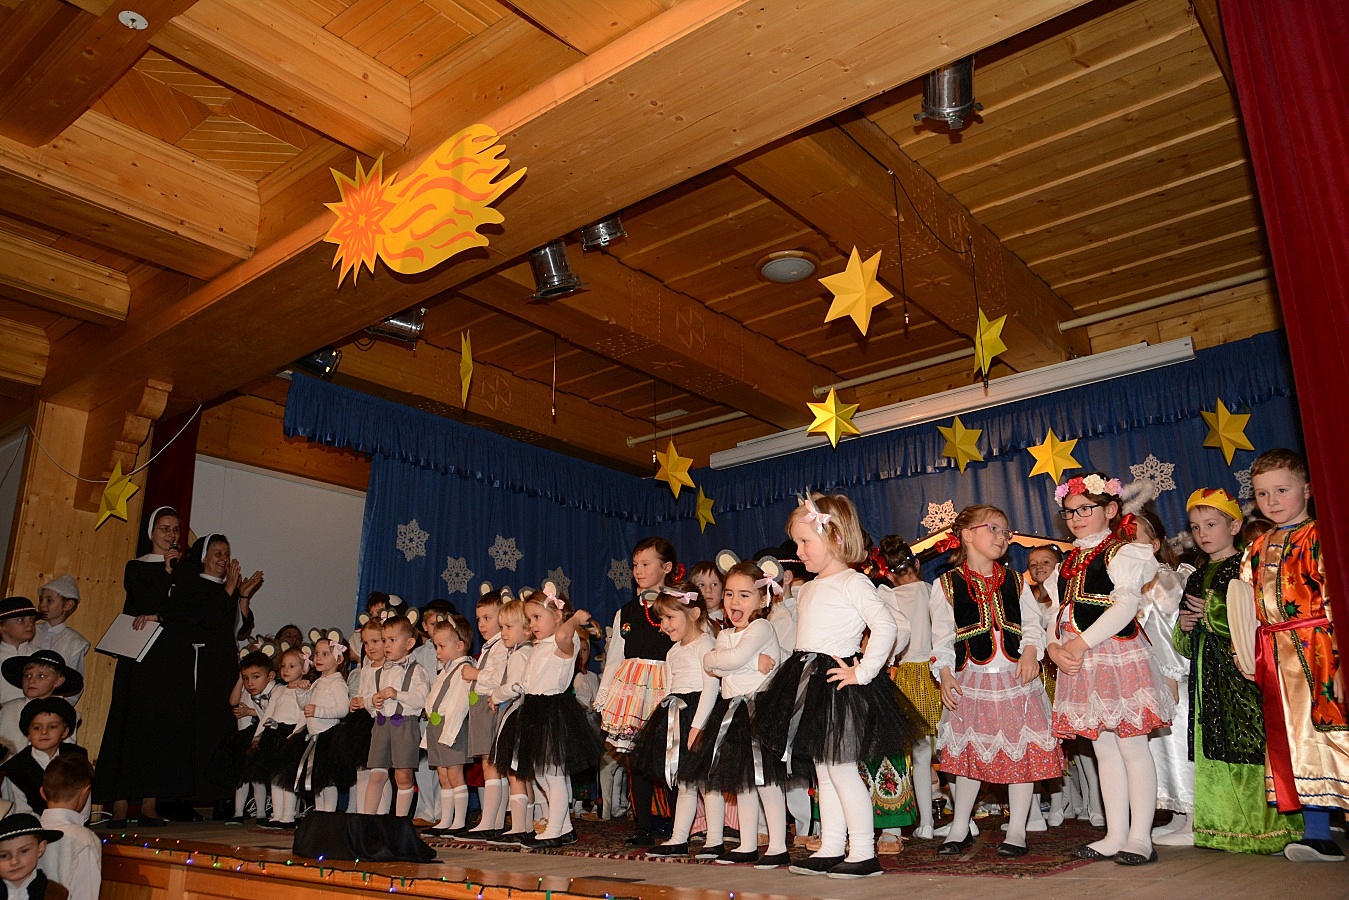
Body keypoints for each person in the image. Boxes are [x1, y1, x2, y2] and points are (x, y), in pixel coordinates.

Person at [756, 493, 924, 879]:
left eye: (804, 542)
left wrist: (863, 672)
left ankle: (863, 851)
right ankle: (831, 845)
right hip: (811, 682)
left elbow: (886, 626)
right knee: (824, 770)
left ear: (834, 537)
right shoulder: (811, 587)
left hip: (839, 684)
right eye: (797, 543)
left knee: (843, 770)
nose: (798, 552)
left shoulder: (853, 582)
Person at [1046, 473, 1174, 866]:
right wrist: (1054, 648)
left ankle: (1140, 837)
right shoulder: (1066, 562)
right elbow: (1055, 612)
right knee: (1103, 748)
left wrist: (1079, 643)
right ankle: (1115, 834)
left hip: (1116, 655)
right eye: (1070, 512)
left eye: (1086, 509)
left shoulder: (1125, 553)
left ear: (1111, 509)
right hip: (1080, 661)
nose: (1076, 518)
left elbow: (1125, 606)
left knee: (1132, 746)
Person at [1174, 487, 1301, 854]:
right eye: (1196, 527)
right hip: (1207, 676)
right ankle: (1220, 827)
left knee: (1249, 742)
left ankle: (1265, 829)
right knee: (1214, 744)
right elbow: (1183, 642)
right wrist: (1185, 626)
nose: (1203, 534)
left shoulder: (1248, 567)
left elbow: (1256, 620)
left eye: (1211, 524)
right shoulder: (1196, 576)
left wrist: (1214, 611)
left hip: (1240, 675)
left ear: (1233, 526)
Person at [930, 505, 1062, 859]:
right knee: (970, 754)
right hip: (972, 680)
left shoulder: (1016, 581)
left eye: (1006, 532)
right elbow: (941, 638)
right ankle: (960, 826)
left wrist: (1031, 651)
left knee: (1022, 753)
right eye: (994, 529)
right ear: (967, 534)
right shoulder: (946, 584)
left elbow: (1033, 624)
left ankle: (1017, 829)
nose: (1002, 537)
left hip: (1016, 678)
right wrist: (945, 674)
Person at [1240, 448, 1349, 861]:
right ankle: (1317, 833)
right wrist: (1245, 652)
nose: (1272, 501)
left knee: (1334, 733)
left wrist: (1341, 657)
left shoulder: (1321, 536)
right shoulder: (1256, 547)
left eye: (1281, 490)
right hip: (1275, 654)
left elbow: (1336, 595)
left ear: (1307, 489)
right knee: (1295, 739)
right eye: (1262, 494)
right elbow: (1245, 607)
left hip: (1319, 650)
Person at [679, 562, 790, 867]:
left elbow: (729, 660)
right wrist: (750, 663)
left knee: (766, 781)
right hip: (733, 712)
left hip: (758, 710)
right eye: (729, 594)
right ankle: (747, 844)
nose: (733, 601)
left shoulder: (761, 628)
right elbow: (713, 664)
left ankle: (778, 845)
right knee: (743, 783)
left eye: (744, 595)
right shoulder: (725, 634)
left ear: (763, 599)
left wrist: (726, 661)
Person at [95, 506, 191, 827]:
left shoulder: (183, 570)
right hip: (137, 655)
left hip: (167, 658)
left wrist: (174, 576)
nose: (171, 535)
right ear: (152, 532)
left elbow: (185, 611)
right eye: (165, 528)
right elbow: (142, 598)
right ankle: (120, 805)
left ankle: (150, 804)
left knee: (157, 728)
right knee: (128, 725)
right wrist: (166, 574)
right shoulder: (136, 567)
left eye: (175, 529)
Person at [491, 586, 601, 849]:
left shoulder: (565, 642)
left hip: (552, 711)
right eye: (530, 619)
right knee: (540, 773)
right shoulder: (539, 645)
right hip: (532, 710)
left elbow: (564, 632)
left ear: (558, 616)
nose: (532, 624)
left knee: (553, 775)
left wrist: (575, 619)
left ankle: (554, 829)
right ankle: (565, 829)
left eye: (537, 617)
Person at [595, 537, 678, 845]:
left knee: (669, 759)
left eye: (646, 564)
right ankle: (643, 826)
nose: (639, 571)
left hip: (665, 688)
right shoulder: (626, 612)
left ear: (666, 567)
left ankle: (678, 826)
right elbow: (616, 657)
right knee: (637, 760)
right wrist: (605, 697)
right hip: (632, 694)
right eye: (635, 565)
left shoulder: (678, 606)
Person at [638, 589, 720, 860]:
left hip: (701, 715)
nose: (664, 625)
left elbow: (711, 687)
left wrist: (698, 726)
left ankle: (715, 840)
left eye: (670, 618)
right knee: (684, 782)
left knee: (707, 782)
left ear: (694, 614)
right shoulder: (673, 651)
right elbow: (670, 688)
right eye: (661, 619)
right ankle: (679, 837)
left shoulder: (705, 643)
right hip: (678, 716)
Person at [1133, 511, 1195, 843]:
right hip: (1147, 676)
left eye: (1134, 536)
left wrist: (1171, 674)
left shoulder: (1165, 579)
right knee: (1160, 748)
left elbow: (1167, 628)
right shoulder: (1133, 582)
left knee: (1178, 742)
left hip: (1172, 676)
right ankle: (1177, 811)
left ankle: (1195, 816)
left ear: (1155, 544)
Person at [876, 535, 939, 843]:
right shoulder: (932, 590)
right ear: (915, 563)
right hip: (936, 672)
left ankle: (923, 822)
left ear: (888, 574)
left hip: (906, 675)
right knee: (944, 747)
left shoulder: (887, 596)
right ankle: (958, 819)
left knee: (917, 752)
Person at [476, 598, 535, 844]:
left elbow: (517, 685)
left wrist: (496, 695)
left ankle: (520, 827)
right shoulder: (521, 652)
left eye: (509, 627)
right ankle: (524, 826)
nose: (503, 633)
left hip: (517, 714)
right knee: (518, 772)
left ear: (527, 629)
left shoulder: (521, 654)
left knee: (514, 772)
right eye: (502, 627)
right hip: (520, 713)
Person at [362, 615, 429, 818]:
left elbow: (422, 700)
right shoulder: (379, 671)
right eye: (384, 640)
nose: (387, 645)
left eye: (392, 640)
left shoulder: (417, 670)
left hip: (405, 725)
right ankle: (367, 819)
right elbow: (366, 698)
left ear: (409, 643)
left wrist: (398, 695)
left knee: (403, 776)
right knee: (376, 774)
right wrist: (372, 702)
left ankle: (400, 822)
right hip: (381, 725)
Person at [1024, 544, 1071, 829]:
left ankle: (1068, 801)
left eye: (1045, 562)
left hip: (1058, 672)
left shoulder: (1063, 597)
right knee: (1042, 740)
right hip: (1040, 674)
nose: (1038, 567)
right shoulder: (1029, 598)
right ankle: (1051, 803)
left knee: (1068, 744)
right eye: (1033, 564)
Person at [422, 615, 476, 836]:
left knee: (454, 775)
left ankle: (459, 821)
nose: (437, 651)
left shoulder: (464, 669)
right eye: (436, 646)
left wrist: (450, 732)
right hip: (437, 727)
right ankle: (445, 820)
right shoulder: (445, 670)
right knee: (443, 776)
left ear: (459, 646)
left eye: (442, 646)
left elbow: (459, 704)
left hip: (452, 727)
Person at [461, 587, 509, 837]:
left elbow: (500, 677)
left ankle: (490, 821)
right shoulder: (491, 647)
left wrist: (476, 674)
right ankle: (493, 821)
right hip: (481, 707)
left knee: (491, 765)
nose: (481, 624)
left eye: (487, 618)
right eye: (479, 618)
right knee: (490, 765)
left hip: (491, 705)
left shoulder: (502, 647)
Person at [248, 646, 308, 829]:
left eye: (292, 666)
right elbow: (268, 715)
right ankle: (276, 814)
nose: (286, 670)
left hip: (292, 735)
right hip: (274, 734)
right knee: (274, 777)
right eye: (283, 666)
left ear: (304, 669)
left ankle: (288, 817)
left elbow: (304, 714)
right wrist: (258, 736)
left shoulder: (305, 690)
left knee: (287, 778)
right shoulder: (278, 690)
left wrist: (294, 735)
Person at [0, 700, 86, 816]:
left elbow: (83, 801)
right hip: (33, 825)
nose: (44, 732)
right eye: (37, 728)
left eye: (52, 727)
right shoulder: (15, 770)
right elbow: (21, 813)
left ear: (65, 732)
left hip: (73, 822)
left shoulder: (76, 758)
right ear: (28, 733)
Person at [299, 635, 351, 813]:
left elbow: (343, 710)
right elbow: (304, 707)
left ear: (339, 659)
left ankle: (328, 815)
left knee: (328, 781)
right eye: (317, 654)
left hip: (329, 737)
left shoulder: (337, 683)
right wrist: (301, 692)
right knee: (318, 780)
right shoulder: (318, 681)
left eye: (325, 654)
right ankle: (320, 814)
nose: (318, 658)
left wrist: (318, 711)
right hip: (316, 737)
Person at [38, 755, 99, 900]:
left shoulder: (29, 831)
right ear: (85, 793)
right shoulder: (84, 840)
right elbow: (85, 895)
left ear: (43, 793)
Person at [337, 620, 382, 814]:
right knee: (362, 771)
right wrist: (356, 701)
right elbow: (362, 692)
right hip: (363, 722)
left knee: (379, 772)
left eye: (375, 641)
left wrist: (368, 700)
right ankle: (363, 812)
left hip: (381, 721)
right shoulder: (365, 669)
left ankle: (379, 815)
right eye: (366, 643)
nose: (370, 647)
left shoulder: (392, 668)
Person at [0, 652, 82, 757]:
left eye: (41, 676)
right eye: (27, 675)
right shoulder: (6, 709)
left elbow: (65, 752)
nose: (31, 680)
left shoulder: (65, 714)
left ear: (58, 681)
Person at [226, 651, 275, 824]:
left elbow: (268, 713)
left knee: (257, 777)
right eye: (246, 678)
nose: (250, 683)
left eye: (255, 677)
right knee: (243, 777)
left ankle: (261, 813)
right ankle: (238, 813)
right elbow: (233, 701)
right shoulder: (248, 690)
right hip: (245, 736)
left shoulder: (271, 692)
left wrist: (249, 712)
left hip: (257, 735)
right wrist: (240, 680)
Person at [32, 579, 87, 709]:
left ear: (68, 605)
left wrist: (59, 710)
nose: (42, 606)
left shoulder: (75, 642)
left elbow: (74, 683)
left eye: (49, 600)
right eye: (41, 600)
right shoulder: (31, 631)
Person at [0, 812, 66, 899]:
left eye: (24, 851)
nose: (14, 862)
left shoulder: (55, 893)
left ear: (40, 848)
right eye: (4, 856)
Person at [0, 599, 39, 706]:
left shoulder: (40, 657)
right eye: (21, 620)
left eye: (32, 620)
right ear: (2, 626)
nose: (30, 624)